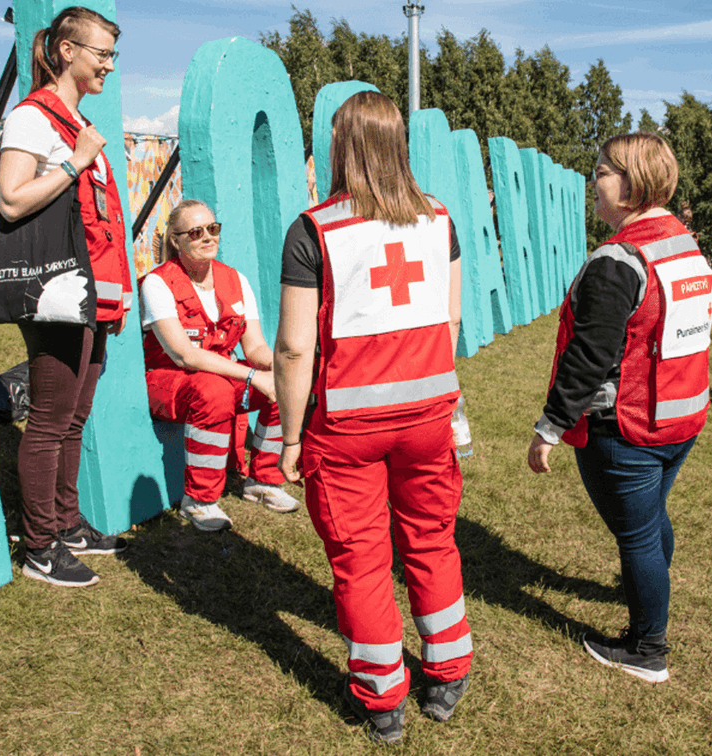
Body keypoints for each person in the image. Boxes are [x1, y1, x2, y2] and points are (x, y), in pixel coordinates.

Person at [273, 91, 470, 744]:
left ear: (340, 146)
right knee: (432, 539)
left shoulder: (313, 230)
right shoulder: (439, 219)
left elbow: (296, 346)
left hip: (348, 425)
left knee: (361, 559)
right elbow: (449, 321)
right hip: (427, 413)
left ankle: (383, 700)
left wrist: (292, 436)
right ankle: (448, 672)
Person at [527, 132, 712, 684]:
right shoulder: (682, 242)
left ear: (630, 184)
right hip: (679, 416)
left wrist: (551, 426)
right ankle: (650, 582)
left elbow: (589, 356)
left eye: (602, 171)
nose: (594, 182)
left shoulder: (619, 259)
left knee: (636, 534)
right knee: (650, 520)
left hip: (627, 426)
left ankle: (647, 647)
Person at [0, 7, 130, 587]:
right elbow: (11, 200)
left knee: (75, 416)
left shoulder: (77, 120)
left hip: (90, 292)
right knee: (48, 420)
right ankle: (40, 546)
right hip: (56, 291)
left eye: (113, 56)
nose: (110, 66)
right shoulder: (33, 118)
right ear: (67, 51)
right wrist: (75, 162)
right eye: (102, 54)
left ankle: (68, 524)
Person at [140, 199, 300, 533]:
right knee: (212, 390)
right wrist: (253, 376)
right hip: (168, 379)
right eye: (196, 232)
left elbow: (254, 346)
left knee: (282, 383)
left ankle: (263, 481)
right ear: (175, 240)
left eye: (213, 229)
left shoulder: (235, 279)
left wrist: (285, 367)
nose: (207, 237)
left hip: (223, 374)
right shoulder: (157, 283)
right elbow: (184, 355)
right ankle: (199, 500)